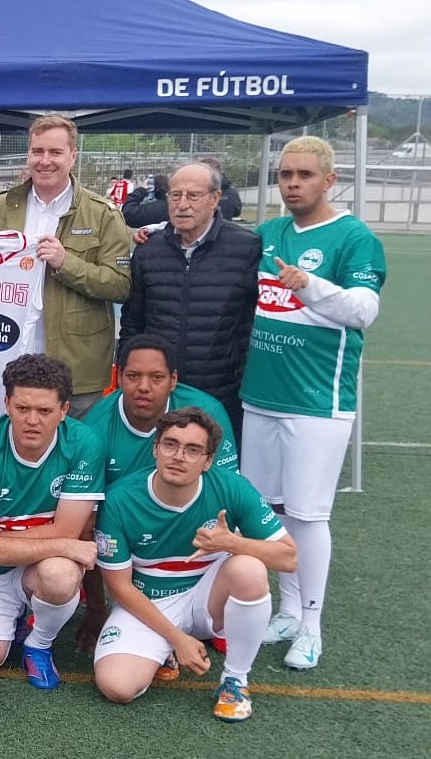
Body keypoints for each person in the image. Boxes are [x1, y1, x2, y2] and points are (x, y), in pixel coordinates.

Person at [239, 135, 386, 671]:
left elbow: (364, 310)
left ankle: (311, 625)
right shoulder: (270, 233)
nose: (293, 184)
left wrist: (310, 286)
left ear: (329, 180)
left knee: (308, 514)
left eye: (304, 175)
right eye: (285, 175)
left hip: (317, 401)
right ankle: (287, 610)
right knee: (270, 511)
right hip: (261, 396)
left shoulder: (354, 238)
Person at [94, 407, 297, 722]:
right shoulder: (120, 498)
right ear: (155, 448)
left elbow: (289, 558)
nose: (178, 456)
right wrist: (177, 639)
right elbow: (119, 586)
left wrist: (232, 543)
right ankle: (164, 649)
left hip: (209, 597)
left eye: (192, 450)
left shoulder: (232, 487)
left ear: (208, 461)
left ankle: (235, 679)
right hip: (149, 600)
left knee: (249, 569)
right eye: (170, 445)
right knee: (117, 686)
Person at [0, 354, 105, 689]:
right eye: (22, 408)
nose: (32, 420)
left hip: (38, 564)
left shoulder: (84, 444)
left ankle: (39, 643)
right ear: (6, 404)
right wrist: (65, 545)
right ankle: (19, 617)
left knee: (61, 574)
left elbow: (67, 529)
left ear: (64, 410)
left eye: (45, 411)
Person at [0, 114, 131, 417]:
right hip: (6, 353)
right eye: (37, 151)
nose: (45, 161)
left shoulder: (103, 214)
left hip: (76, 366)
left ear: (73, 156)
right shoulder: (3, 206)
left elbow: (120, 285)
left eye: (55, 152)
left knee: (74, 443)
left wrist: (67, 263)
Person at [118, 163, 261, 437]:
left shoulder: (247, 248)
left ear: (215, 199)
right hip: (159, 394)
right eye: (175, 195)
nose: (182, 204)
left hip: (222, 392)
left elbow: (252, 320)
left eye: (193, 196)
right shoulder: (148, 250)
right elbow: (133, 321)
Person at [85, 334, 238, 485]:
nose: (143, 387)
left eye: (157, 377)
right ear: (119, 377)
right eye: (133, 376)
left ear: (173, 380)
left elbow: (228, 488)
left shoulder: (208, 413)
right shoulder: (94, 428)